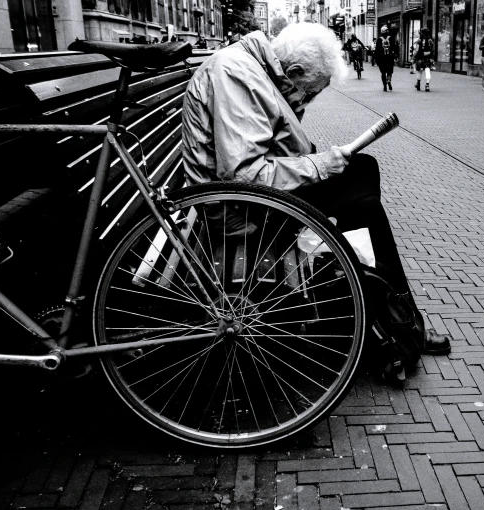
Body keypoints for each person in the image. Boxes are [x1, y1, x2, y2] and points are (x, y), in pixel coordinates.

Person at [181, 23, 451, 356]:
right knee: (361, 189)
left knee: (361, 185)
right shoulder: (238, 74)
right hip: (238, 208)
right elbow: (242, 175)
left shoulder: (255, 72)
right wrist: (319, 165)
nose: (308, 99)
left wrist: (315, 154)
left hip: (250, 197)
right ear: (292, 70)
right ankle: (397, 322)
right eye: (310, 91)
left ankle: (391, 320)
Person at [375, 25, 398, 92]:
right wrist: (395, 56)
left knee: (383, 73)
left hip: (381, 59)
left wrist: (376, 59)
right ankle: (389, 80)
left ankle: (384, 86)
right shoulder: (391, 38)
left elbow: (377, 49)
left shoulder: (379, 39)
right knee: (389, 71)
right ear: (387, 31)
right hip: (390, 58)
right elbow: (395, 48)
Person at [413, 27, 434, 92]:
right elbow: (432, 49)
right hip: (428, 58)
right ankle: (427, 85)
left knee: (419, 71)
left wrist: (414, 56)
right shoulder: (430, 40)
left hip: (420, 57)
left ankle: (418, 84)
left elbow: (416, 50)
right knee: (427, 70)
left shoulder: (419, 40)